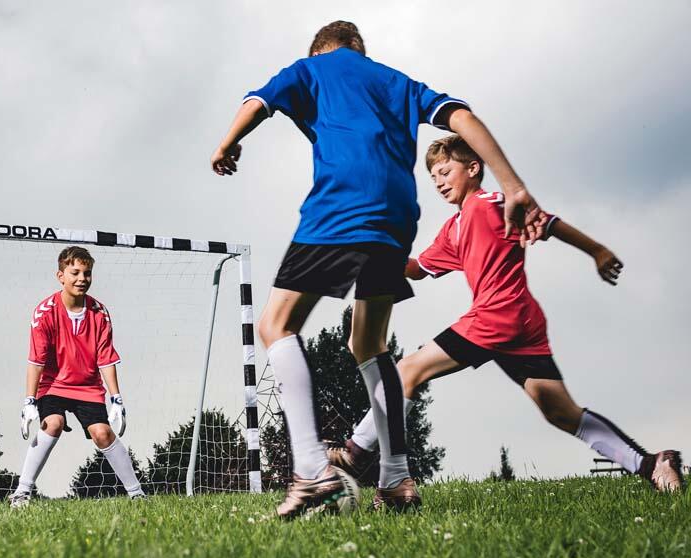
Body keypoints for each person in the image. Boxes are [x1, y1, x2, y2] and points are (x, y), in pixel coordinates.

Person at [211, 20, 546, 518]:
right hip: (396, 217)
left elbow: (257, 102)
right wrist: (513, 184)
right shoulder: (396, 81)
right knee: (369, 344)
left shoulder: (312, 68)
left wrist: (228, 142)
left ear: (324, 49)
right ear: (360, 50)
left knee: (275, 325)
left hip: (340, 206)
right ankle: (396, 478)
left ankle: (310, 469)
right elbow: (461, 117)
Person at [330, 135, 684, 492]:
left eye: (445, 171)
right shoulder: (453, 227)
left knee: (406, 371)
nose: (438, 181)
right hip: (519, 322)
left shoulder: (491, 204)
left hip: (497, 315)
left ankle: (356, 452)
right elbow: (418, 267)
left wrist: (597, 251)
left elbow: (547, 222)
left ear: (473, 168)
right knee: (560, 412)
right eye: (433, 176)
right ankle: (653, 463)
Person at [8, 246, 145, 507]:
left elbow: (105, 357)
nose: (82, 278)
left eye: (87, 273)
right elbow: (36, 360)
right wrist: (29, 401)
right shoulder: (44, 313)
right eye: (75, 272)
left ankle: (137, 494)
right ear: (60, 276)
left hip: (87, 386)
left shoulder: (99, 313)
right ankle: (22, 493)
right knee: (53, 423)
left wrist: (116, 398)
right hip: (53, 384)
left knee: (103, 433)